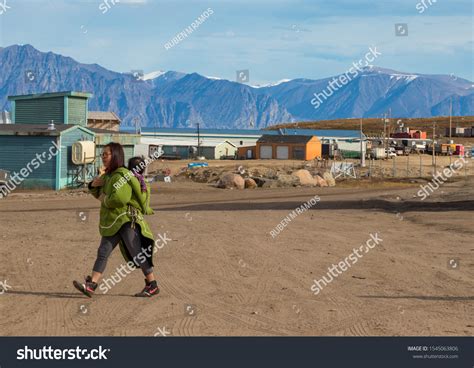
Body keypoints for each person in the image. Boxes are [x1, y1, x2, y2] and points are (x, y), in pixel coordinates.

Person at [73, 143, 159, 298]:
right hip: (114, 221)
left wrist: (105, 200)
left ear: (116, 155)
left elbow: (120, 198)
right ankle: (92, 284)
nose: (103, 157)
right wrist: (93, 184)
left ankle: (152, 284)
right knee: (103, 252)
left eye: (106, 154)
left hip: (126, 220)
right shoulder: (109, 175)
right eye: (102, 154)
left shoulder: (121, 175)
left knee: (137, 252)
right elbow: (98, 191)